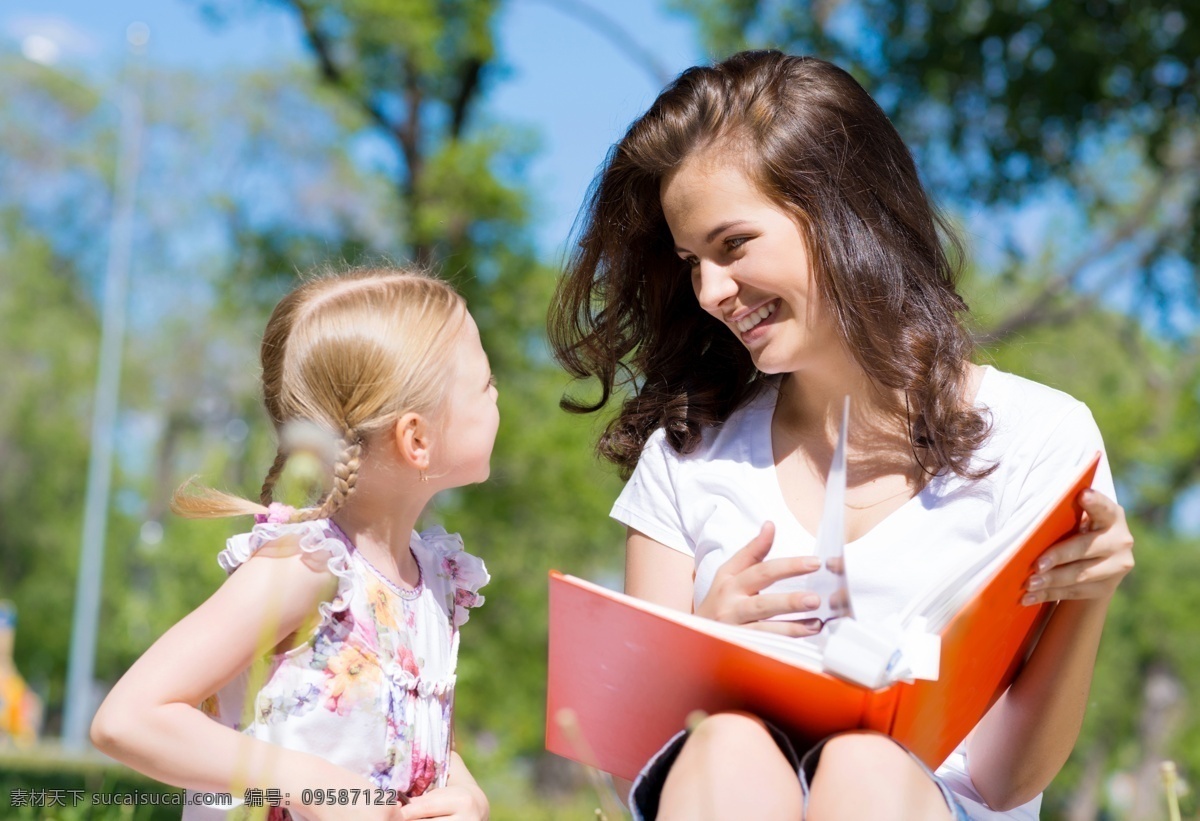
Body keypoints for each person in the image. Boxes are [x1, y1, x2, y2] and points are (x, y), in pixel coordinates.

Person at [549, 51, 1134, 821]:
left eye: (733, 245)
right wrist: (703, 646)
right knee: (725, 743)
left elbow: (1004, 779)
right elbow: (641, 759)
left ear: (840, 211)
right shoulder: (687, 454)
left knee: (865, 768)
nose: (710, 291)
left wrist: (1087, 597)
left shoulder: (1041, 437)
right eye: (692, 261)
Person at [92, 267, 498, 821]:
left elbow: (405, 732)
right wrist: (308, 783)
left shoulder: (434, 579)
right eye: (486, 382)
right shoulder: (307, 566)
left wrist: (464, 792)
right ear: (417, 438)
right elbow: (129, 718)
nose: (497, 394)